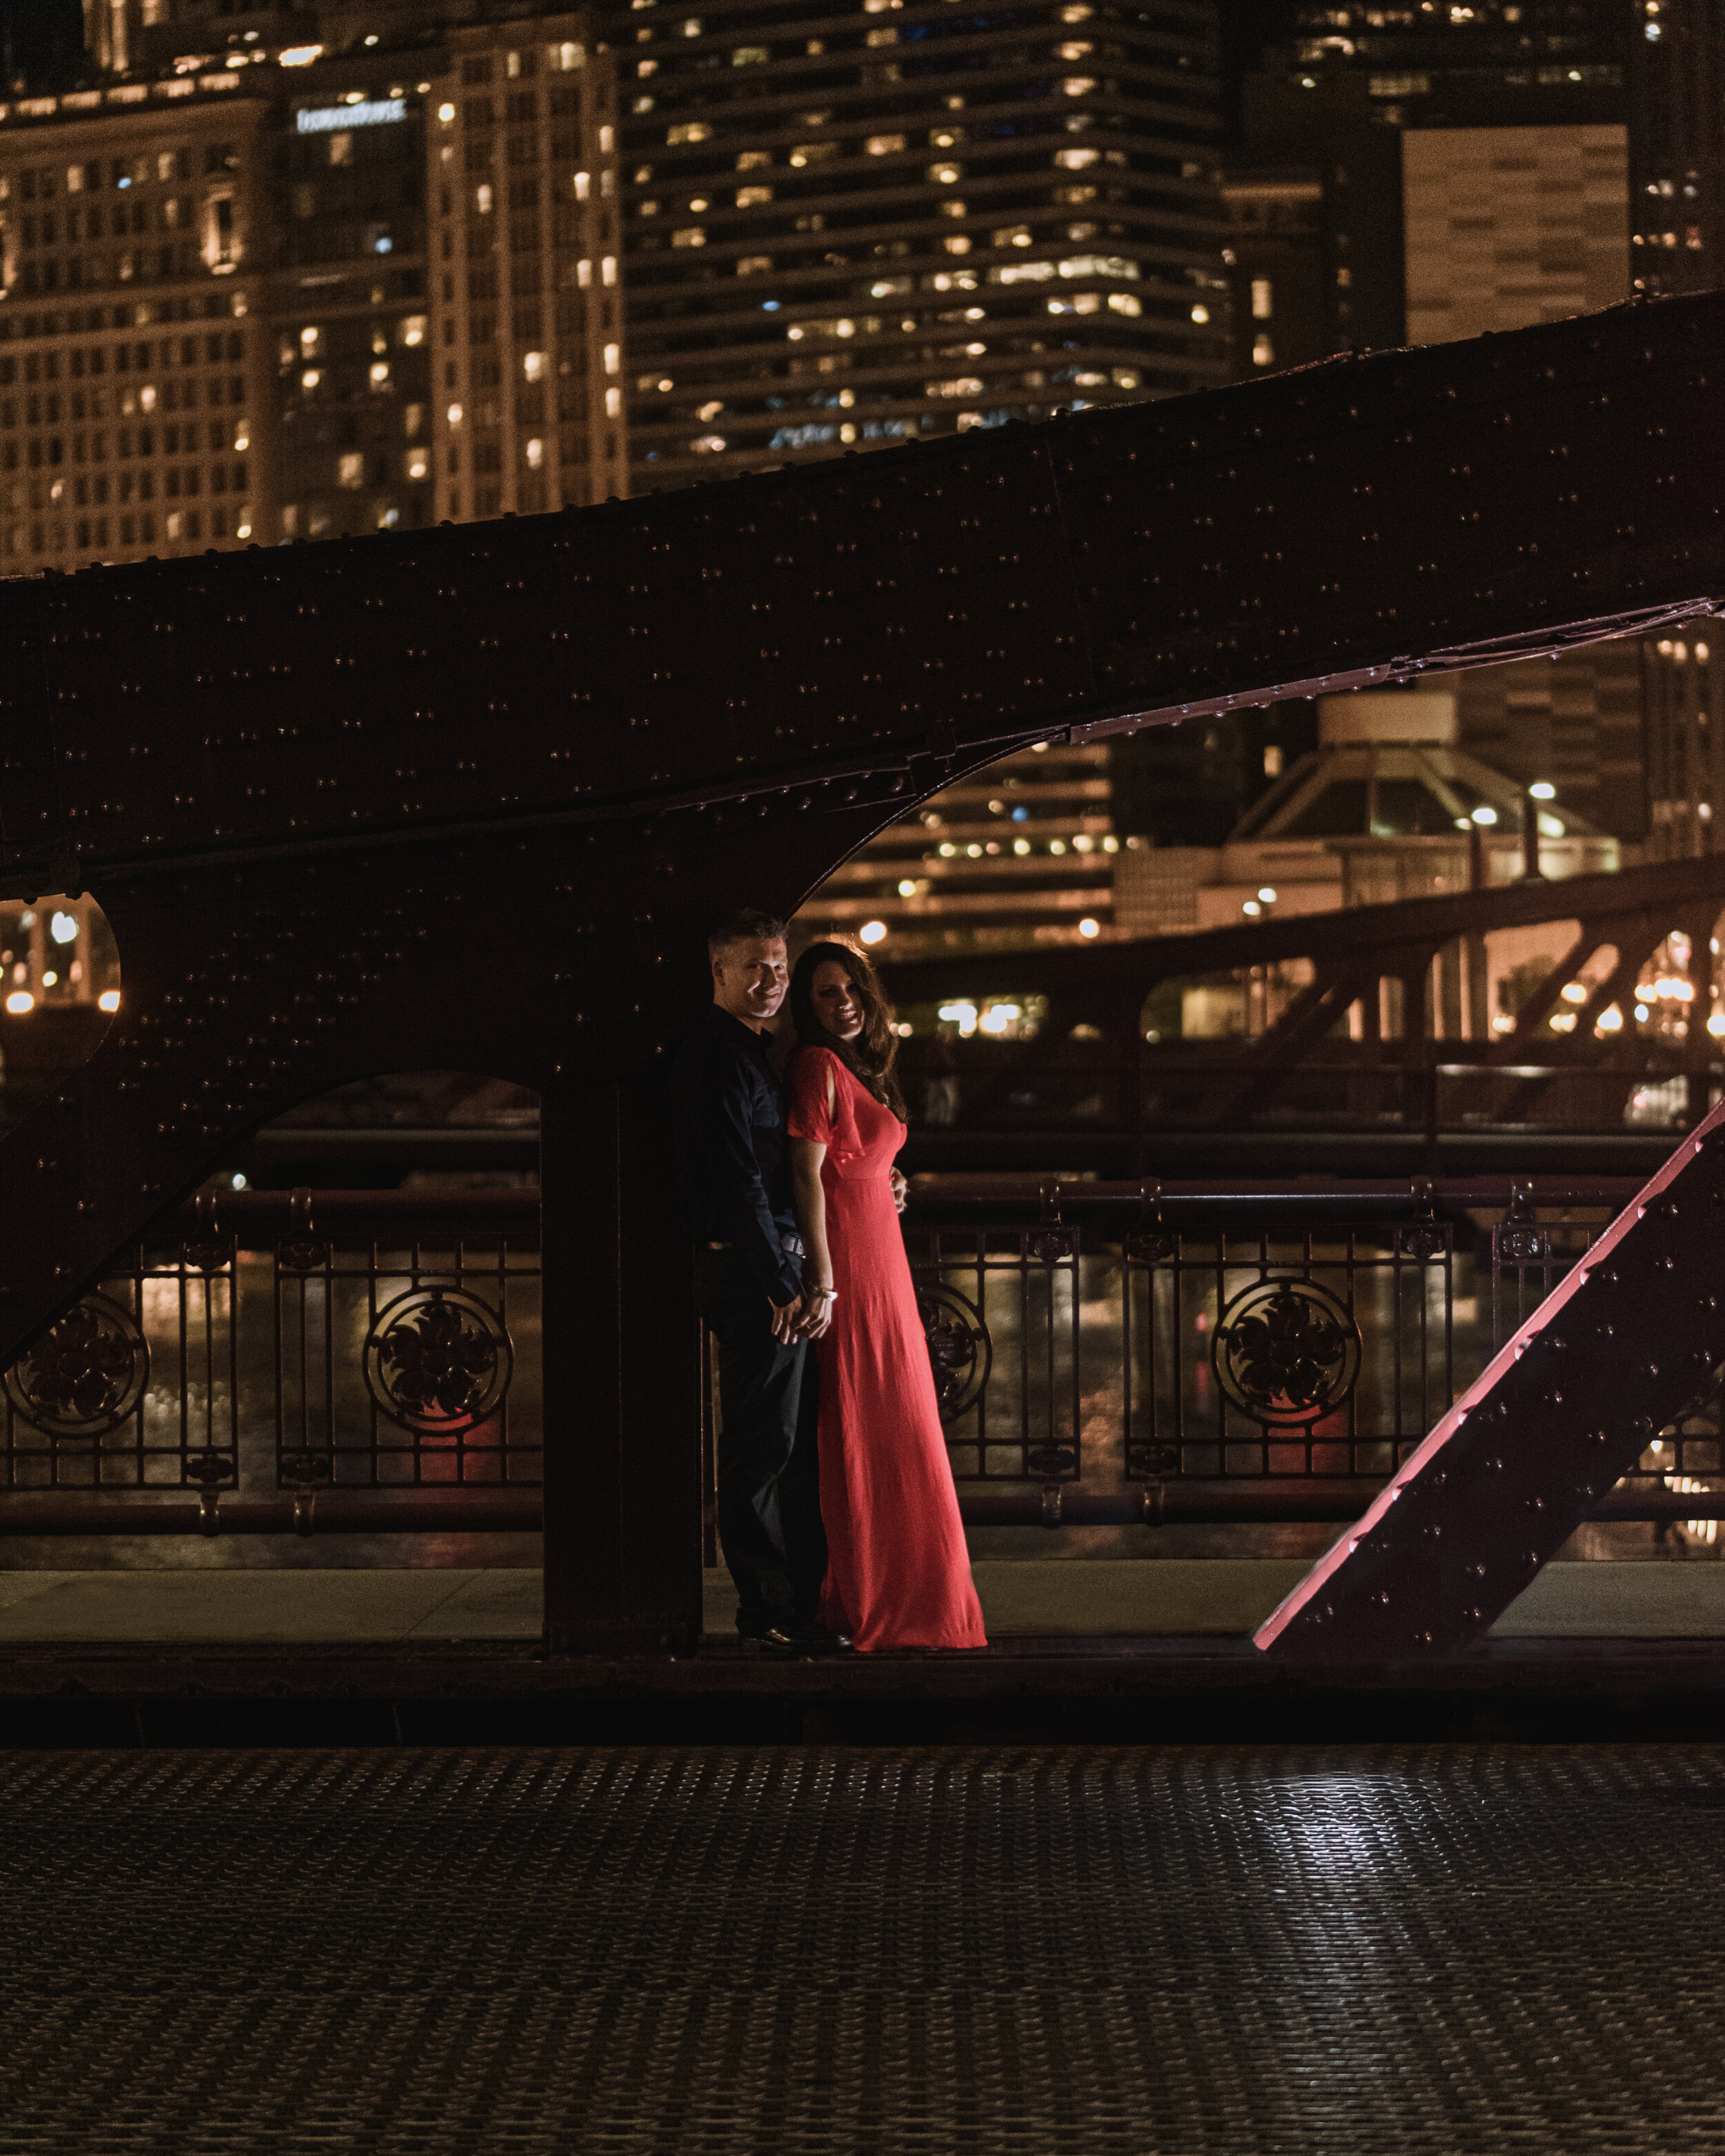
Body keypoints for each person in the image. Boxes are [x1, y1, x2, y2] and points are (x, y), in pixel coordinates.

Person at [785, 940, 988, 1653]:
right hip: (852, 1265)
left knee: (901, 1420)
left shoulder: (860, 1066)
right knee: (871, 1420)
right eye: (823, 992)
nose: (841, 1000)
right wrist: (824, 1278)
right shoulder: (815, 1064)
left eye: (849, 988)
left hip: (884, 1256)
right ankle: (878, 1595)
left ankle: (907, 1589)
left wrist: (886, 1181)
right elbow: (805, 1176)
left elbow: (857, 1159)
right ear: (806, 1008)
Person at [677, 909, 845, 1655]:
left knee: (779, 1438)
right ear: (717, 972)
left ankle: (792, 1602)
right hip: (751, 1272)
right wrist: (781, 1282)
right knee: (761, 1444)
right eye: (754, 965)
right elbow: (737, 1178)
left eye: (778, 965)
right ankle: (767, 1613)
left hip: (762, 1265)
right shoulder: (715, 1054)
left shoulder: (752, 1052)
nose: (771, 979)